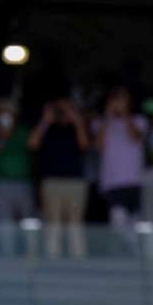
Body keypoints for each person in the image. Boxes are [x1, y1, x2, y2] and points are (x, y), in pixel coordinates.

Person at [29, 97, 91, 258]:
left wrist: (76, 120)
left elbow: (85, 145)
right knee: (53, 224)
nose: (63, 113)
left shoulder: (76, 127)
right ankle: (53, 259)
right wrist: (46, 120)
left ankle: (78, 260)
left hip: (75, 182)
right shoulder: (48, 128)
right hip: (52, 182)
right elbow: (33, 144)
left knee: (75, 225)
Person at [95, 87, 149, 244]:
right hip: (113, 183)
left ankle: (135, 255)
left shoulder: (139, 120)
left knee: (136, 224)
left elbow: (135, 137)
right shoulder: (102, 123)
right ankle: (123, 254)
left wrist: (125, 114)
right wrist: (108, 116)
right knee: (117, 224)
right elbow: (97, 146)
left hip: (134, 180)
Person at [0, 100, 34, 254]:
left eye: (9, 112)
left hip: (23, 184)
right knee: (4, 228)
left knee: (28, 225)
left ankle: (31, 257)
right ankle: (8, 258)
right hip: (0, 184)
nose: (5, 115)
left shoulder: (23, 132)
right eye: (1, 112)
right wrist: (1, 138)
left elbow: (34, 145)